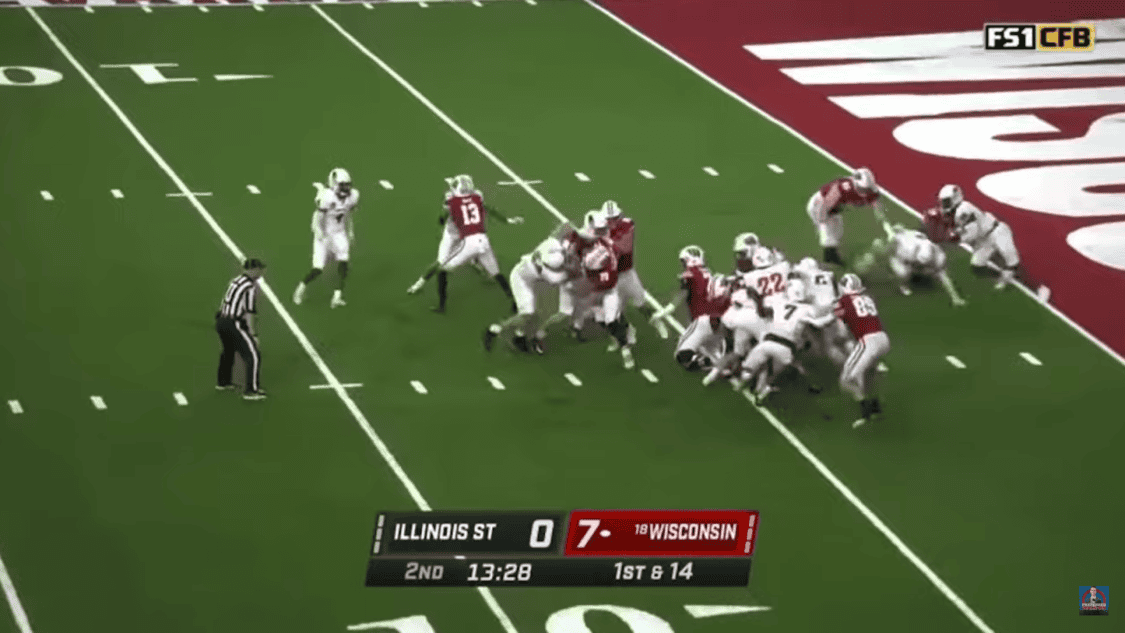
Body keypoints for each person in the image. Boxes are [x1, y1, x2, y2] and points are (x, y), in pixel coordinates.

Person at [294, 168, 357, 308]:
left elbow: (349, 214)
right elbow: (317, 218)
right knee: (318, 268)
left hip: (339, 233)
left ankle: (337, 296)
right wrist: (319, 232)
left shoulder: (353, 195)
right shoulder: (327, 197)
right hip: (324, 233)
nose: (346, 188)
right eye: (342, 185)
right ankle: (300, 289)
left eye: (347, 185)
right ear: (334, 184)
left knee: (344, 262)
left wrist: (350, 231)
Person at [216, 258, 267, 400]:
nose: (262, 272)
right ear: (253, 270)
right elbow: (250, 312)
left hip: (221, 320)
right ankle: (251, 391)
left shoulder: (235, 281)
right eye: (260, 269)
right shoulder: (249, 286)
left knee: (228, 351)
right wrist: (253, 334)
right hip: (234, 323)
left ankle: (223, 382)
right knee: (253, 355)